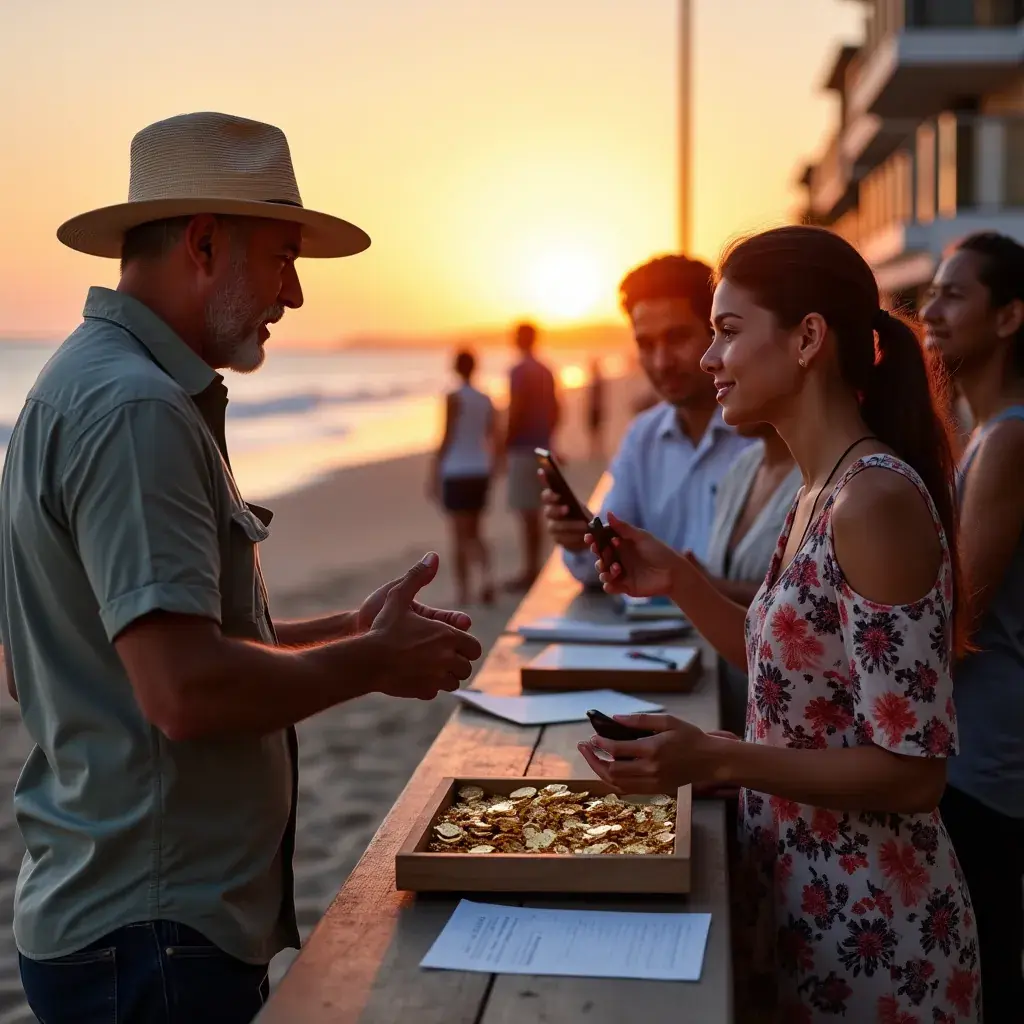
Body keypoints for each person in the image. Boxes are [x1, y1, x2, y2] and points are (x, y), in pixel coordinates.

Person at [0, 111, 482, 1024]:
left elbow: (58, 661)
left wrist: (345, 629)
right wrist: (373, 666)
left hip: (119, 918)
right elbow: (184, 692)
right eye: (282, 258)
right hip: (149, 932)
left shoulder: (72, 383)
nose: (294, 293)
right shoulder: (135, 409)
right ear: (206, 242)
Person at [579, 226, 980, 1022]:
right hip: (804, 902)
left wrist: (718, 757)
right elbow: (786, 677)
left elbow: (913, 772)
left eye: (727, 332)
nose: (706, 358)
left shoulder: (873, 501)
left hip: (876, 934)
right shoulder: (816, 493)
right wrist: (679, 583)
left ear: (806, 339)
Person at [921, 231, 1024, 1020]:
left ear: (1011, 316)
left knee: (985, 973)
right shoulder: (982, 433)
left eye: (956, 294)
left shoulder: (1010, 438)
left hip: (985, 764)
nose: (932, 307)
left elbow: (958, 617)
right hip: (971, 750)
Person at [543, 255, 754, 586]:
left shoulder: (764, 434)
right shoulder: (643, 436)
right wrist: (582, 540)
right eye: (646, 344)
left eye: (677, 338)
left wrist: (683, 583)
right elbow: (599, 570)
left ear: (715, 333)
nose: (661, 361)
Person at [703, 424, 801, 737]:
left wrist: (697, 583)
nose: (710, 370)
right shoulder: (745, 465)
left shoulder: (839, 485)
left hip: (792, 751)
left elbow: (801, 620)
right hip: (735, 722)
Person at [430, 349, 498, 606]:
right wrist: (493, 464)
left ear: (457, 368)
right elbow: (493, 435)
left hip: (456, 470)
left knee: (458, 536)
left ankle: (464, 591)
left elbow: (446, 436)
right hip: (479, 468)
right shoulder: (486, 399)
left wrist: (433, 469)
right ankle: (487, 579)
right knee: (477, 531)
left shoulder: (453, 397)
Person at [503, 321, 559, 590]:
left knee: (527, 513)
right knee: (539, 511)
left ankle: (530, 571)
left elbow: (516, 409)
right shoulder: (546, 370)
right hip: (543, 447)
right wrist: (548, 436)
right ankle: (534, 567)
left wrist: (504, 443)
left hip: (523, 447)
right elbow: (557, 408)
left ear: (519, 340)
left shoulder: (518, 371)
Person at [586, 356, 605, 459]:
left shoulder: (597, 380)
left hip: (595, 408)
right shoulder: (595, 379)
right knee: (594, 431)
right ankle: (594, 451)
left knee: (596, 430)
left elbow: (598, 396)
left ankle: (596, 451)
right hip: (594, 408)